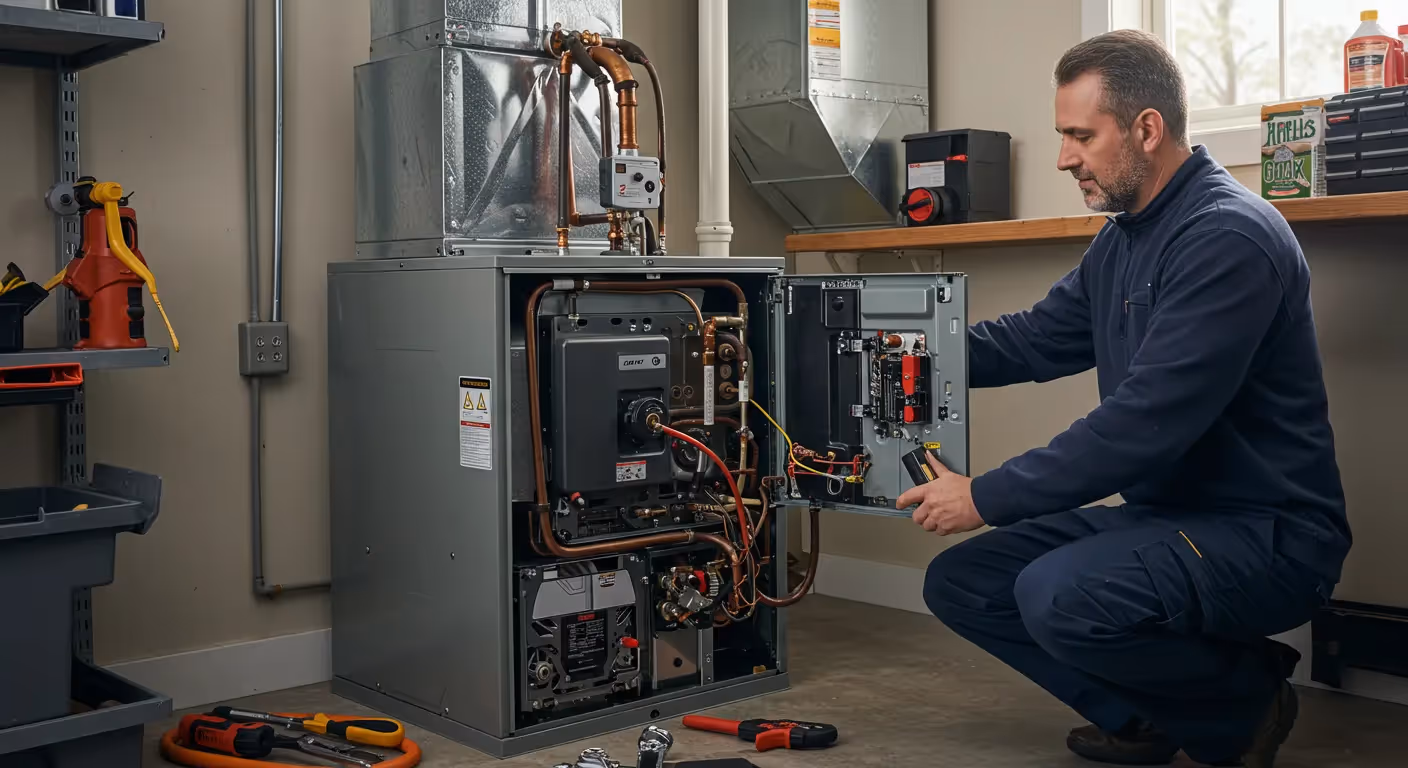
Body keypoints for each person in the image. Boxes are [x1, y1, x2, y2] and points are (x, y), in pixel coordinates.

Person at [897, 29, 1351, 768]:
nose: (1064, 156)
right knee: (965, 582)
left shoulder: (1229, 238)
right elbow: (1035, 339)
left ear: (1147, 128)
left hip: (1268, 535)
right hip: (1166, 520)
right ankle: (1145, 715)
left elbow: (1143, 425)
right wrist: (906, 356)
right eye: (1062, 135)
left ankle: (1247, 700)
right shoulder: (1127, 235)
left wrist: (984, 496)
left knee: (1057, 593)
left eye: (1081, 135)